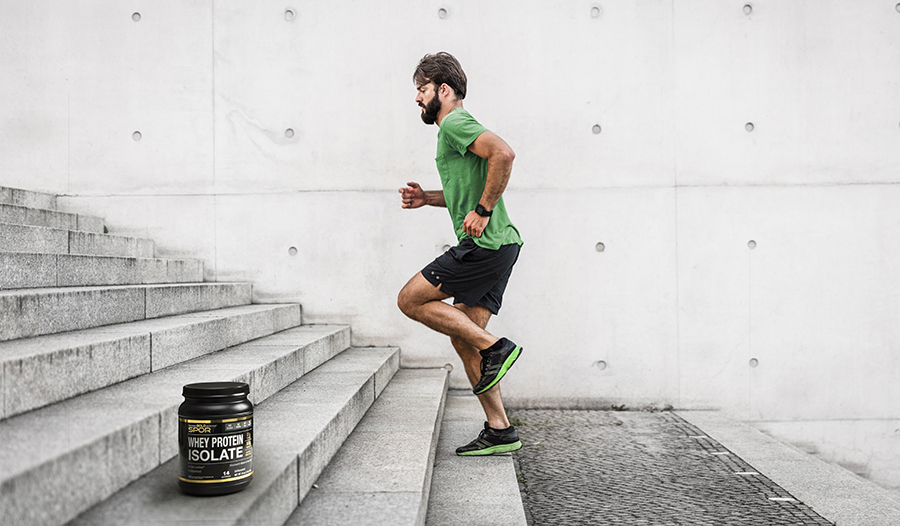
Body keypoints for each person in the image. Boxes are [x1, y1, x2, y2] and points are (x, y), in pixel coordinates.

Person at [397, 52, 525, 456]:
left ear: (444, 90)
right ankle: (500, 428)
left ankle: (497, 347)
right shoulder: (452, 131)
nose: (417, 98)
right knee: (463, 337)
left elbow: (503, 154)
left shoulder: (454, 121)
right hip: (502, 246)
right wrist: (428, 198)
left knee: (410, 299)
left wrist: (483, 211)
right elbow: (465, 189)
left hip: (485, 246)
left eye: (422, 89)